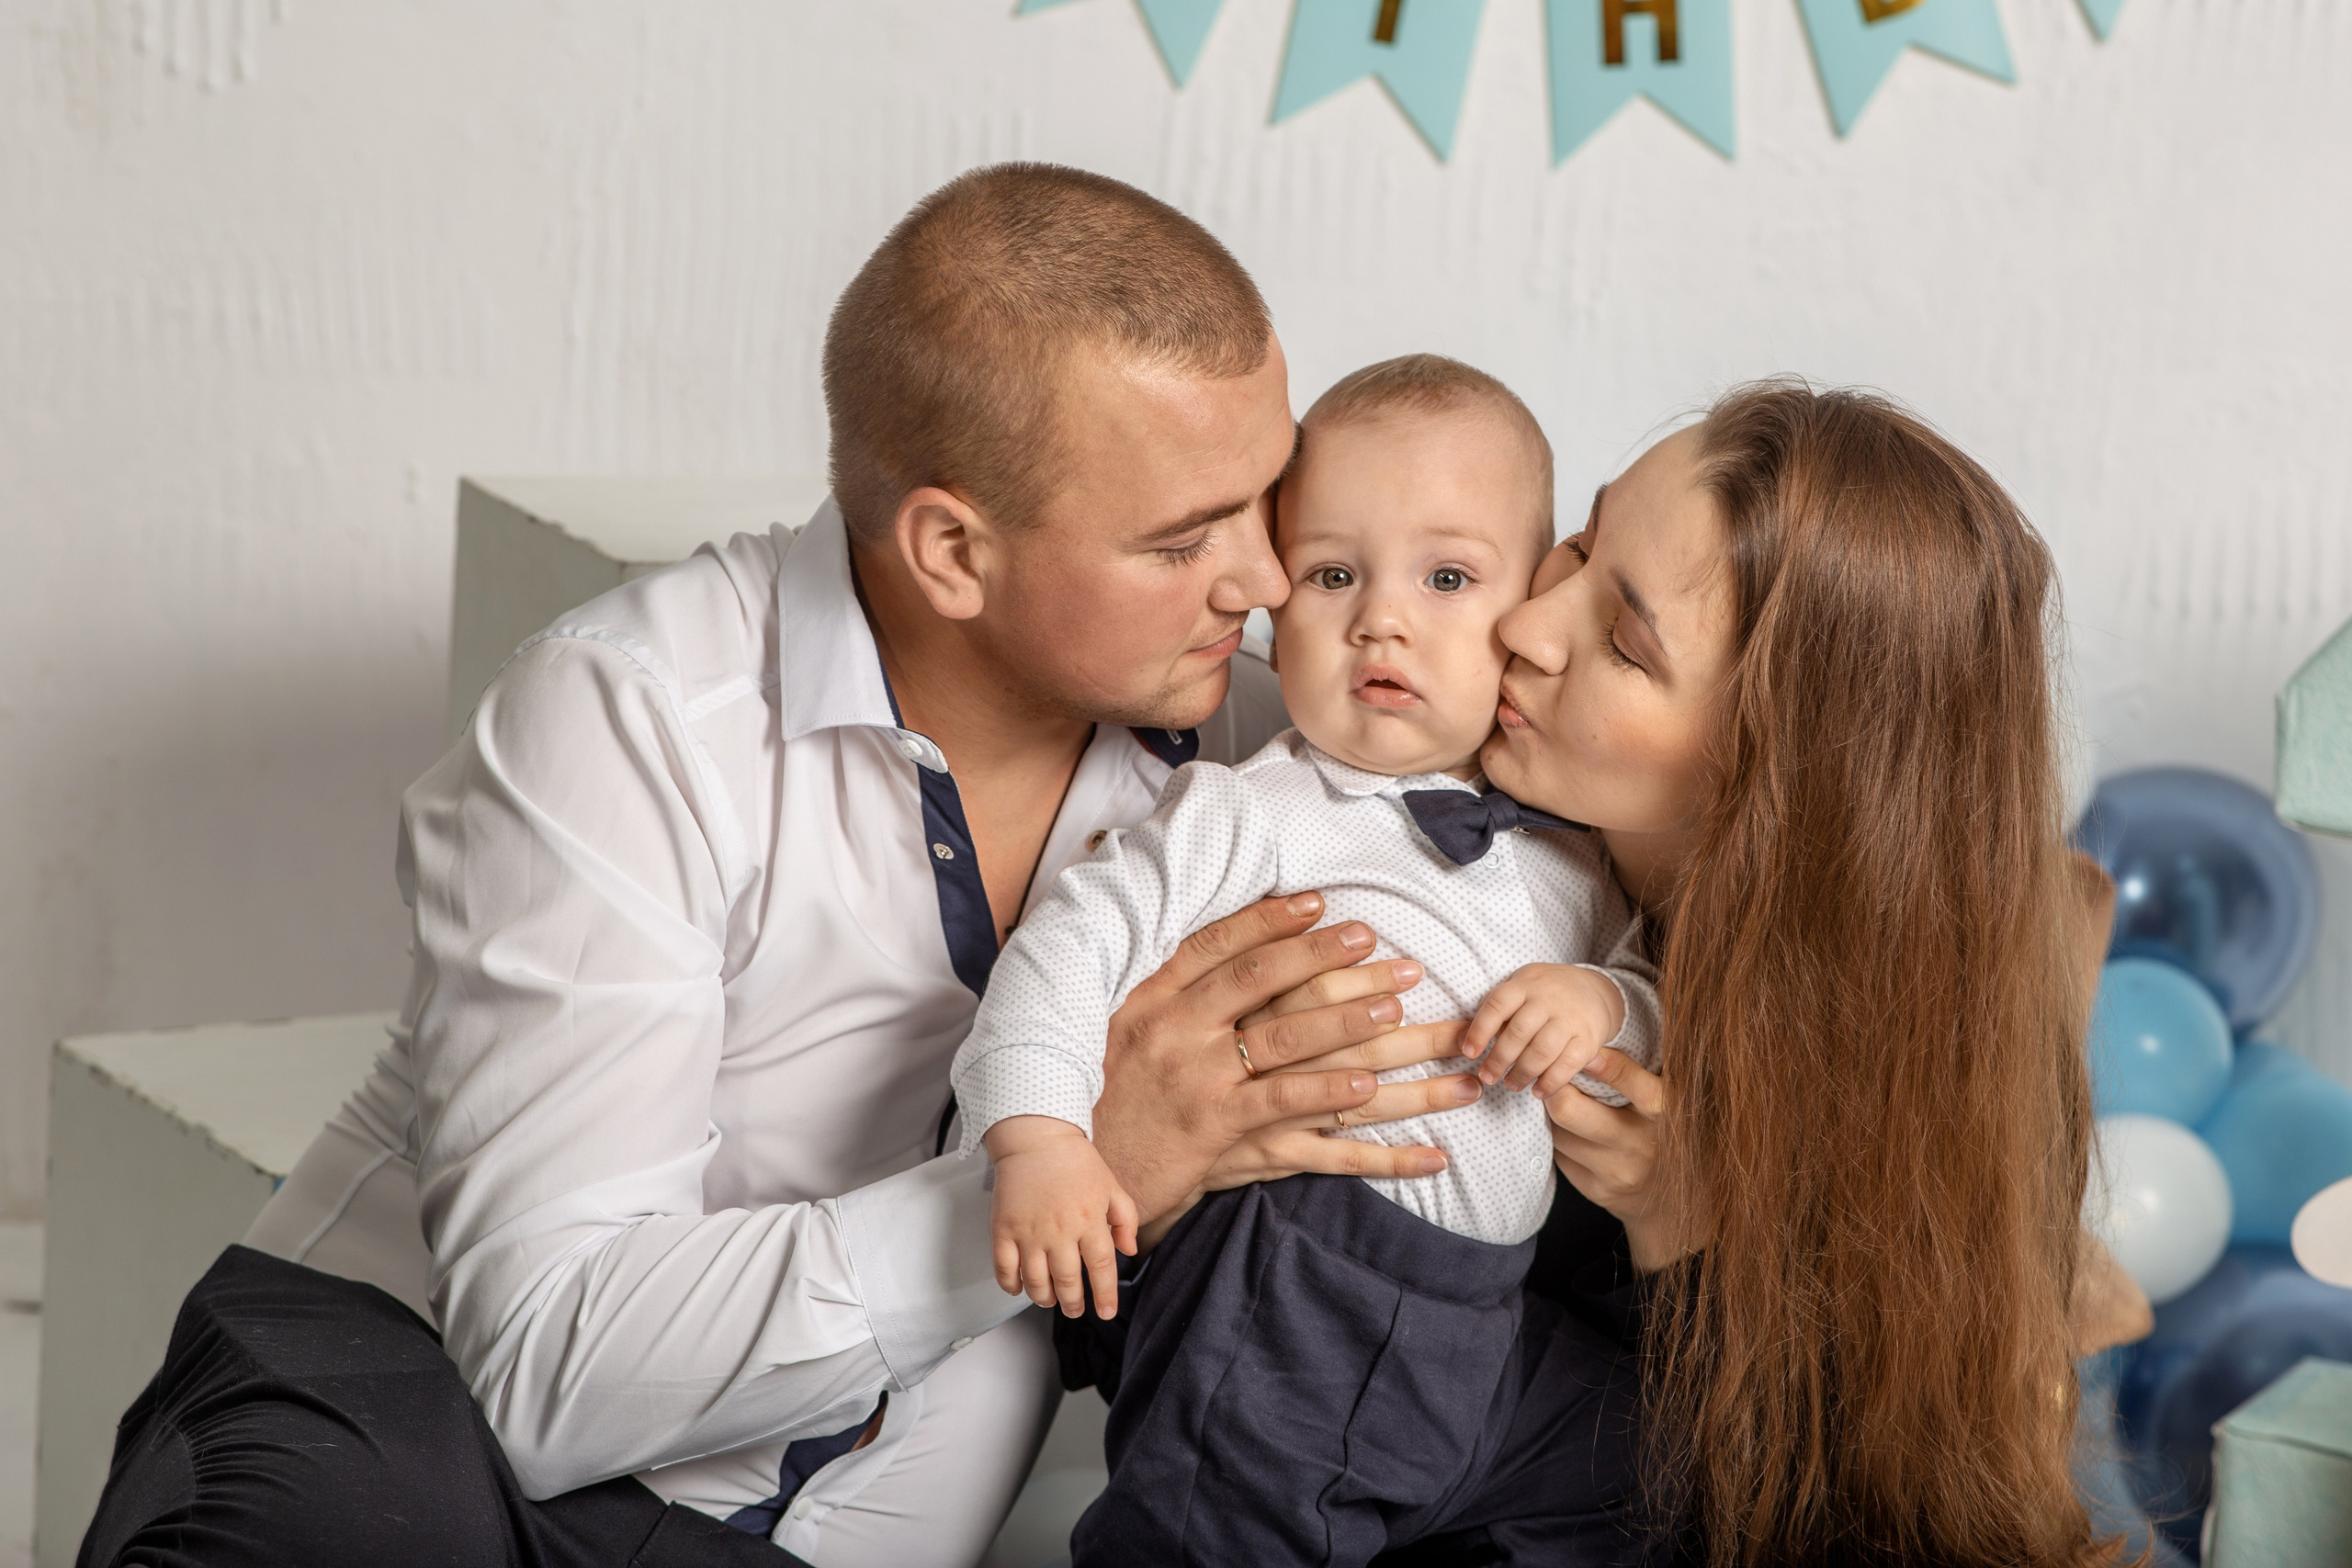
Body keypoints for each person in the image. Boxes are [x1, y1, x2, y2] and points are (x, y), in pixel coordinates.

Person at [74, 165, 1486, 1568]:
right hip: (418, 1430)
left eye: (1268, 499)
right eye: (1183, 539)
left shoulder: (1277, 738)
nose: (1262, 580)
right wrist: (1075, 1162)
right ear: (951, 551)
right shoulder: (629, 716)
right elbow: (553, 1368)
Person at [956, 353, 1663, 1565]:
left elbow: (1655, 1006)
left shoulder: (1574, 846)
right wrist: (1037, 1137)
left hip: (1478, 1306)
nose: (1382, 616)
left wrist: (1598, 1003)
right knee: (1216, 1535)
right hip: (1297, 1272)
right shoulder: (1258, 808)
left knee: (1649, 1472)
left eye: (1447, 577)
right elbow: (1074, 944)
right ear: (1276, 614)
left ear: (1532, 611)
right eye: (1333, 573)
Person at [1465, 379, 2118, 1565]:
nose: (1527, 626)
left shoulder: (1902, 1065)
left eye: (1622, 641)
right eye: (1577, 542)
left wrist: (1683, 1240)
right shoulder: (1420, 808)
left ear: (1775, 773)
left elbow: (1880, 1520)